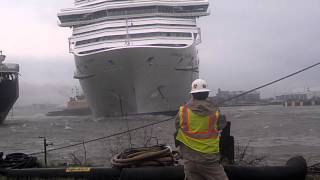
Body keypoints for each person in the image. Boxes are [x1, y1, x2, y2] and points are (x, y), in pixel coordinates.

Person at [174, 79, 229, 180]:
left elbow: (177, 127)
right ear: (207, 93)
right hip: (209, 160)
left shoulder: (183, 111)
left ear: (192, 94)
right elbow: (222, 125)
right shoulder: (215, 112)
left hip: (189, 159)